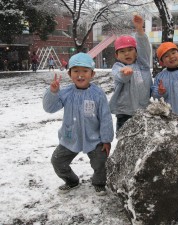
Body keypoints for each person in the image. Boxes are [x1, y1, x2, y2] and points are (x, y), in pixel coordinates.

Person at [43, 52, 114, 195]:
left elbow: (106, 117)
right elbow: (49, 108)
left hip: (94, 139)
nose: (80, 75)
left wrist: (106, 139)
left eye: (85, 71)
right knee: (57, 161)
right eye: (76, 71)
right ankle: (71, 181)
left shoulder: (98, 94)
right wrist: (53, 92)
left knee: (101, 162)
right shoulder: (66, 93)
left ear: (92, 74)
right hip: (70, 137)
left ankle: (99, 182)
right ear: (70, 74)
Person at [109, 14, 153, 131]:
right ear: (117, 55)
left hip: (144, 109)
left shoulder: (142, 65)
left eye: (130, 50)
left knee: (143, 140)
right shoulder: (117, 66)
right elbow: (120, 76)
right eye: (122, 51)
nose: (127, 53)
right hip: (124, 112)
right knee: (124, 140)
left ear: (136, 52)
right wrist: (124, 73)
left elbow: (144, 48)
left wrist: (139, 30)